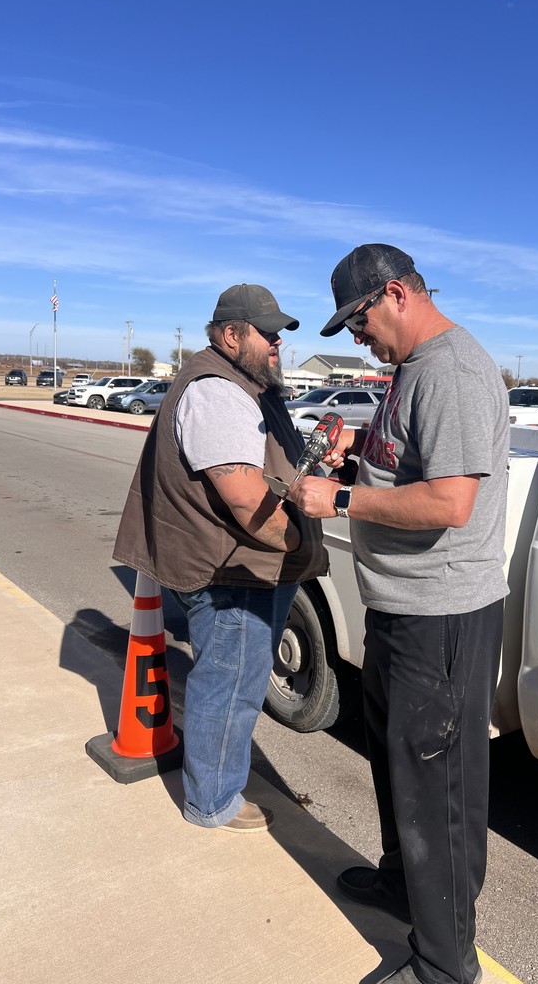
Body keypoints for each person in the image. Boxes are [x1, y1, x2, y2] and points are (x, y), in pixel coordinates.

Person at [290, 245, 508, 984]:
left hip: (439, 616)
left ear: (395, 294)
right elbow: (408, 471)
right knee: (397, 766)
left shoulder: (451, 371)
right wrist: (355, 465)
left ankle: (445, 965)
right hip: (399, 606)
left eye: (358, 321)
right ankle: (400, 880)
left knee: (435, 785)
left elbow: (450, 502)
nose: (357, 338)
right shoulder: (411, 370)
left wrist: (341, 499)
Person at [113, 284, 327, 833]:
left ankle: (213, 786)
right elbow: (245, 498)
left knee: (233, 681)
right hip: (230, 571)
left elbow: (266, 468)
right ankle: (212, 801)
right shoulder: (218, 392)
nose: (278, 344)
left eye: (281, 334)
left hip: (242, 566)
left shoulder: (246, 385)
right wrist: (299, 543)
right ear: (231, 335)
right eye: (269, 333)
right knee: (230, 686)